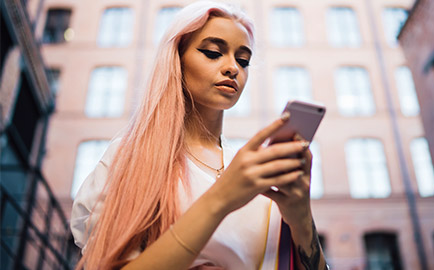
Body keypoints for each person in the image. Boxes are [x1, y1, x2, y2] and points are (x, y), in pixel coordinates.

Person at [70, 1, 328, 269]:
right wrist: (222, 198)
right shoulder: (130, 156)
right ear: (177, 60)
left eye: (243, 60)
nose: (233, 68)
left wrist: (301, 220)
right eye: (213, 52)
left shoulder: (254, 169)